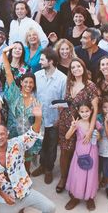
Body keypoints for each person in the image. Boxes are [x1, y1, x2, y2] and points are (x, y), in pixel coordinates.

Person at [0, 104, 56, 213]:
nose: (0, 137)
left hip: (25, 192)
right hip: (6, 200)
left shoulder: (17, 143)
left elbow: (33, 133)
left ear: (7, 134)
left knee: (50, 208)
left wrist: (38, 118)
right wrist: (5, 197)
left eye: (2, 134)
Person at [57, 58, 99, 194]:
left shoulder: (90, 86)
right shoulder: (69, 83)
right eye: (73, 67)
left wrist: (91, 130)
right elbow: (67, 101)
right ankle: (64, 179)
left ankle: (78, 184)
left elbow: (95, 109)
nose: (76, 69)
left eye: (78, 66)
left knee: (78, 154)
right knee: (64, 152)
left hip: (82, 126)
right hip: (66, 123)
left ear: (83, 67)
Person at [32, 48, 68, 184]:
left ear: (51, 61)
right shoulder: (36, 75)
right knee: (41, 144)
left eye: (42, 59)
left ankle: (49, 169)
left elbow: (64, 101)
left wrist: (59, 119)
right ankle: (42, 165)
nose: (39, 62)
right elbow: (33, 96)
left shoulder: (62, 79)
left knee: (52, 146)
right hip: (39, 118)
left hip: (54, 119)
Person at [64, 104, 101, 211]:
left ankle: (90, 198)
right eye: (82, 111)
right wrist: (72, 127)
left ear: (91, 111)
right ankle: (75, 197)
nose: (85, 113)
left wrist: (98, 136)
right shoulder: (77, 123)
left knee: (90, 175)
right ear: (79, 113)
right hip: (79, 153)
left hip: (92, 153)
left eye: (87, 111)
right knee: (78, 175)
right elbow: (67, 136)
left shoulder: (95, 123)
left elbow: (99, 137)